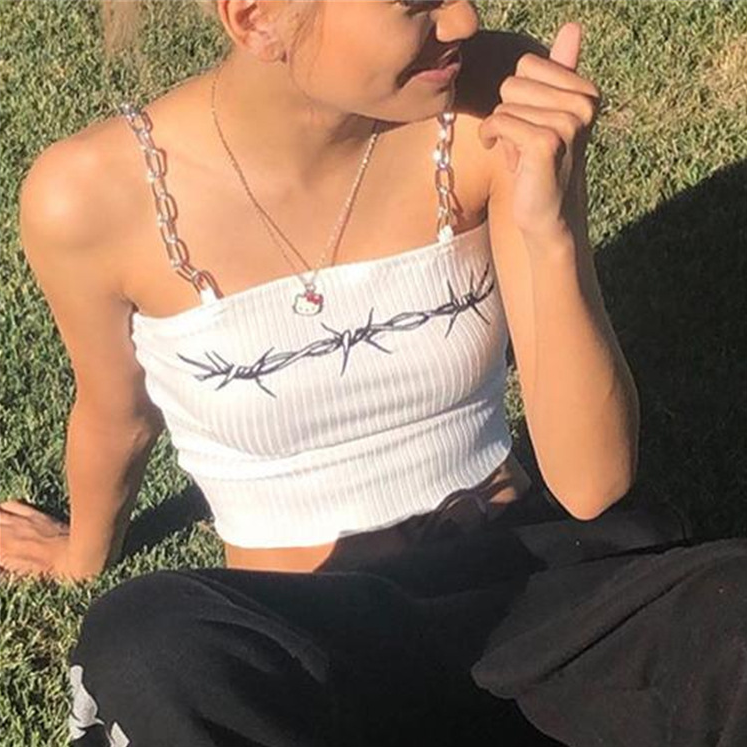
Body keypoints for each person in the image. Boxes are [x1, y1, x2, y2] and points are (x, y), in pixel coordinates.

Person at [3, 1, 747, 745]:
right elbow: (118, 413)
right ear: (256, 19)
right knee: (146, 642)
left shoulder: (493, 99)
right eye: (417, 2)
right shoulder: (90, 195)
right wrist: (80, 554)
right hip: (314, 638)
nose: (463, 20)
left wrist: (548, 232)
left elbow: (592, 484)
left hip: (529, 585)